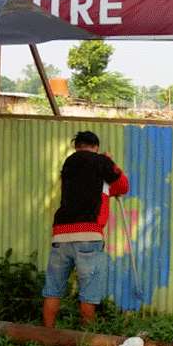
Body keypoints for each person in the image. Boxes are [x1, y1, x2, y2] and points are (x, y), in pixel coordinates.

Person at [42, 131, 129, 327]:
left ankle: (46, 334)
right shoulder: (100, 161)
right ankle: (85, 340)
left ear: (76, 146)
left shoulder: (69, 164)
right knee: (89, 292)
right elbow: (123, 186)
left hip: (61, 234)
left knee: (53, 288)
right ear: (96, 147)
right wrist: (110, 161)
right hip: (88, 234)